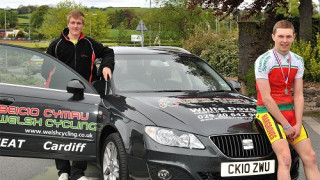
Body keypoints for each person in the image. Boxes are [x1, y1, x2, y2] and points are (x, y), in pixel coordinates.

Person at [45, 9, 114, 180]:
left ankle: (77, 172)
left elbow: (108, 52)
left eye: (79, 23)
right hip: (60, 96)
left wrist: (106, 66)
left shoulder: (90, 44)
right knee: (60, 133)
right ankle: (63, 171)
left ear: (83, 25)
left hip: (84, 97)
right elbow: (45, 68)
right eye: (73, 23)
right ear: (68, 23)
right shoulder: (56, 45)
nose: (75, 26)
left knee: (82, 132)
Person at [254, 20, 320, 180]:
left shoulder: (298, 60)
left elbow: (298, 95)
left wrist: (297, 123)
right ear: (273, 37)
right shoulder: (263, 60)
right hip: (267, 112)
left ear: (294, 37)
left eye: (288, 36)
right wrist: (286, 125)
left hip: (289, 112)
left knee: (310, 157)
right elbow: (267, 99)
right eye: (281, 36)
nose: (284, 40)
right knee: (285, 158)